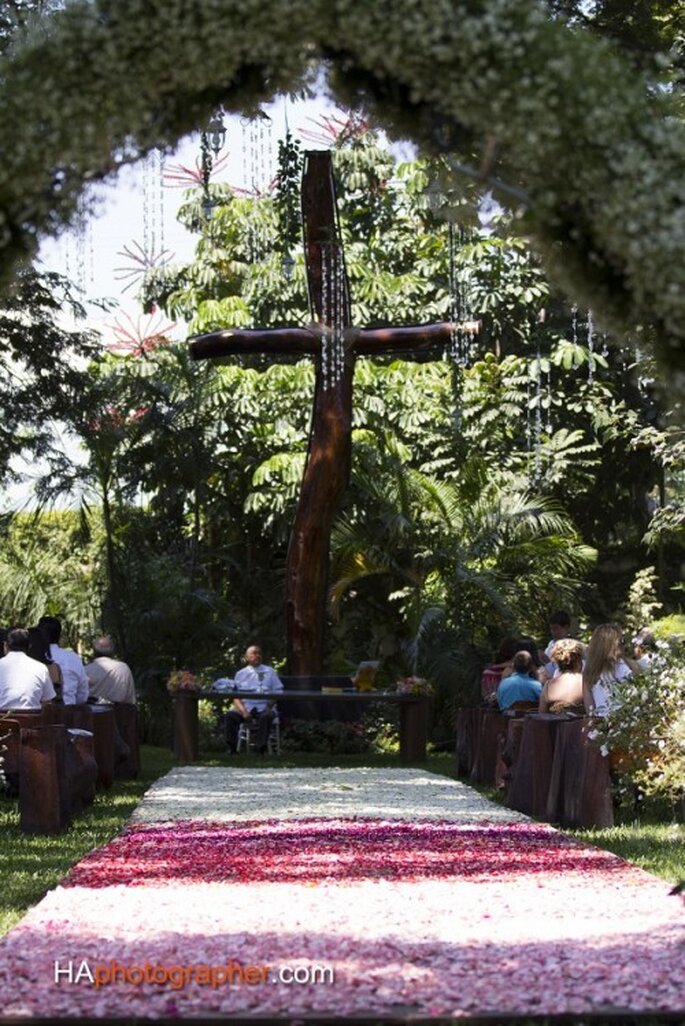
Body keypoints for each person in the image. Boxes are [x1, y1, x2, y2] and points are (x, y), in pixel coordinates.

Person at [223, 644, 282, 753]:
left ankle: (260, 749)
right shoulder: (240, 674)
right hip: (246, 708)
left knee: (267, 716)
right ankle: (231, 748)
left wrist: (269, 706)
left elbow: (277, 692)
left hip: (265, 707)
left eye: (259, 653)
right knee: (230, 716)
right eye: (254, 653)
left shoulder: (270, 672)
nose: (257, 655)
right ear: (247, 657)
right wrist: (243, 711)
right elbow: (236, 696)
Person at [582, 623, 632, 717]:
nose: (623, 644)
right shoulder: (623, 667)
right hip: (623, 723)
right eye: (620, 641)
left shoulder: (589, 672)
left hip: (603, 725)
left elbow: (590, 711)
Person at [38, 615, 89, 705]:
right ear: (59, 636)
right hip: (69, 713)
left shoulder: (32, 659)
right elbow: (83, 694)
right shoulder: (73, 658)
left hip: (40, 714)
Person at [0, 627, 56, 709]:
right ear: (29, 646)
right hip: (32, 720)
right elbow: (47, 701)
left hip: (3, 719)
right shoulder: (40, 668)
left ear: (5, 645)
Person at [85, 635, 136, 704]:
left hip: (93, 713)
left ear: (94, 652)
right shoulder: (123, 668)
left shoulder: (85, 670)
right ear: (112, 652)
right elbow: (130, 698)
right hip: (119, 712)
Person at [538, 638, 585, 714]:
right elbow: (592, 712)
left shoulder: (548, 686)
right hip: (579, 725)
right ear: (578, 661)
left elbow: (541, 715)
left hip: (554, 725)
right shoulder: (586, 683)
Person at [542, 610, 575, 678]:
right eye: (551, 629)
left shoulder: (573, 647)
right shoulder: (551, 644)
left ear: (566, 627)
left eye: (556, 629)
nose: (553, 632)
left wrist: (548, 663)